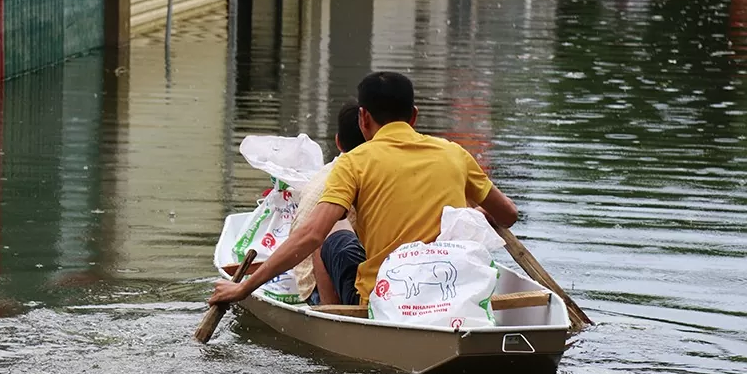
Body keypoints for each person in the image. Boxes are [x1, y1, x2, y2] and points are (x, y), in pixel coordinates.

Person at [209, 71, 518, 308]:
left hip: (387, 300)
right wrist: (475, 211)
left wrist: (243, 288)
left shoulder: (353, 163)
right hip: (451, 292)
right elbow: (508, 214)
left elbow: (311, 235)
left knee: (331, 236)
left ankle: (333, 316)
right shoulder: (455, 153)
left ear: (363, 118)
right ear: (414, 116)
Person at [290, 101, 366, 305]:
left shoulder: (329, 169)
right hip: (317, 284)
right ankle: (331, 309)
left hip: (304, 276)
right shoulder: (356, 176)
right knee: (329, 224)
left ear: (338, 142)